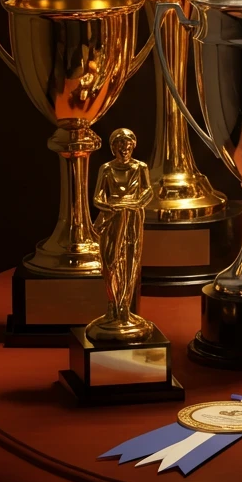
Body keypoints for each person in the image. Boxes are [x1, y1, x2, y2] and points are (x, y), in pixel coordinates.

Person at [86, 128, 154, 343]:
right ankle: (112, 306)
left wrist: (133, 204)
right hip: (112, 219)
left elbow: (148, 192)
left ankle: (125, 308)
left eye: (127, 145)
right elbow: (97, 198)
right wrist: (112, 206)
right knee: (110, 261)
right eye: (119, 145)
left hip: (133, 219)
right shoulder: (106, 169)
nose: (123, 149)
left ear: (133, 146)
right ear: (113, 147)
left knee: (131, 261)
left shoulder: (140, 167)